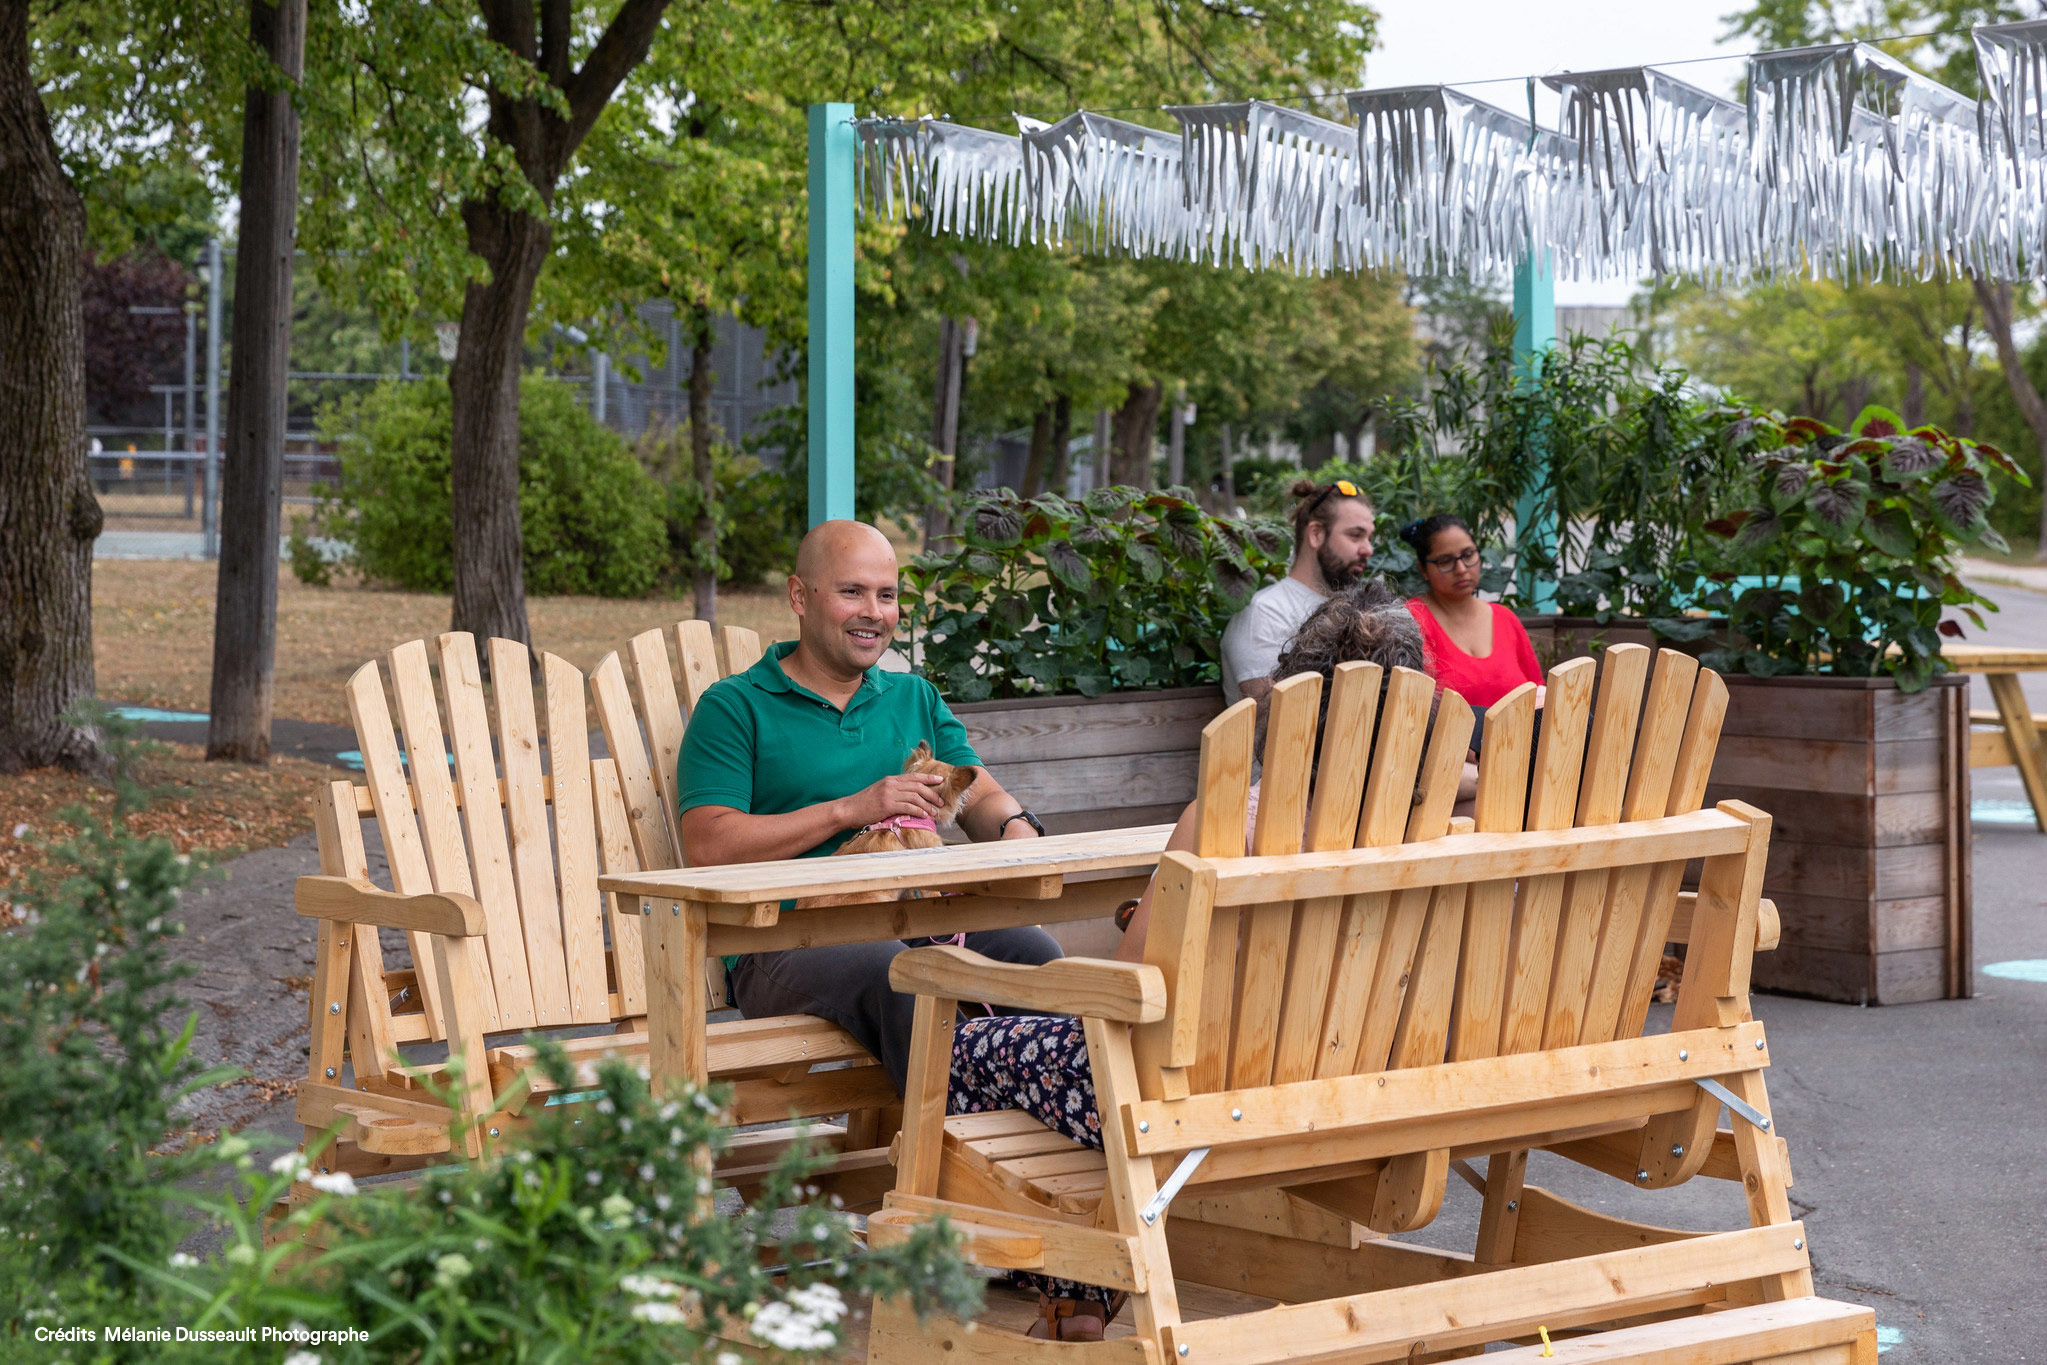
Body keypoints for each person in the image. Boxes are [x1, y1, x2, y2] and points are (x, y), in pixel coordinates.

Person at [947, 580, 1443, 1342]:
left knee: (975, 1045)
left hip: (1196, 1096)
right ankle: (1080, 1299)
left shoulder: (1224, 818)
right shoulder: (1433, 826)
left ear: (1292, 698)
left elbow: (1130, 981)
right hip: (1361, 1081)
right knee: (1082, 1060)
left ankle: (1057, 1294)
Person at [676, 520, 1059, 1095]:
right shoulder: (735, 706)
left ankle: (1047, 1126)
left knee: (1035, 956)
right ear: (799, 596)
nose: (874, 613)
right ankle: (951, 1139)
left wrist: (1016, 826)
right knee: (902, 977)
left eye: (887, 595)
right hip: (785, 937)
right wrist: (851, 809)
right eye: (852, 592)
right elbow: (709, 845)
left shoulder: (913, 696)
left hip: (919, 918)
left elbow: (977, 792)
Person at [1218, 478, 1377, 705]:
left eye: (1370, 538)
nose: (1368, 549)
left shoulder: (1359, 609)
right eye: (1355, 535)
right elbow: (1273, 717)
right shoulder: (1265, 614)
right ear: (1316, 534)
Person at [1400, 513, 1543, 711]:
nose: (1461, 569)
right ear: (1423, 569)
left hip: (1520, 731)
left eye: (1468, 555)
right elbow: (1411, 710)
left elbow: (1539, 694)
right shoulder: (1411, 621)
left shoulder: (1505, 618)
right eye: (1445, 561)